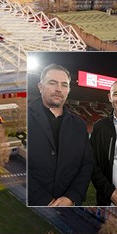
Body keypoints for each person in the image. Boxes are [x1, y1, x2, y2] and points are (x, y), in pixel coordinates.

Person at [28, 64, 94, 206]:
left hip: (69, 206)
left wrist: (72, 196)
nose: (59, 89)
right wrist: (44, 200)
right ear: (40, 87)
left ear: (68, 90)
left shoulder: (80, 125)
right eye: (52, 83)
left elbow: (87, 164)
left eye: (64, 85)